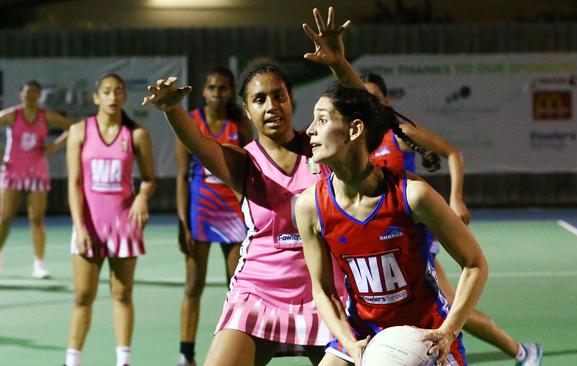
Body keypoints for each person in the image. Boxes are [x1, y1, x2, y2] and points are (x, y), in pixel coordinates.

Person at [143, 7, 360, 366]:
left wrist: (338, 63)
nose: (271, 105)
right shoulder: (244, 161)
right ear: (246, 110)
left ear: (291, 99)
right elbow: (199, 143)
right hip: (259, 291)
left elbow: (362, 110)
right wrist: (172, 111)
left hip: (326, 292)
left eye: (279, 96)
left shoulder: (323, 149)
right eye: (259, 99)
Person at [296, 83, 489, 366]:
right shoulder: (310, 206)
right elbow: (322, 289)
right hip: (361, 332)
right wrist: (348, 341)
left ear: (354, 130)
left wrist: (448, 330)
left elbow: (475, 263)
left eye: (322, 120)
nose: (310, 129)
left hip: (427, 334)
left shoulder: (412, 194)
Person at [363, 73, 542, 366]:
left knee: (457, 310)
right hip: (377, 243)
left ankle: (522, 352)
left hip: (412, 237)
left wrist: (455, 197)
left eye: (372, 97)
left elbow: (452, 153)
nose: (367, 103)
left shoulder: (400, 134)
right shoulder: (355, 143)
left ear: (385, 100)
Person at [64, 73, 156, 366]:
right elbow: (75, 183)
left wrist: (142, 197)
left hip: (123, 226)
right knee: (83, 296)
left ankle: (123, 360)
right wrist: (79, 226)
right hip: (88, 226)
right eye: (107, 91)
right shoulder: (79, 131)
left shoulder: (137, 134)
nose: (113, 96)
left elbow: (150, 179)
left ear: (124, 96)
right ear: (96, 97)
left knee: (122, 294)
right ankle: (72, 360)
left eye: (118, 91)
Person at [175, 66, 253, 366]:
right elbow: (183, 175)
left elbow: (250, 170)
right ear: (203, 91)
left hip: (234, 213)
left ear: (230, 92)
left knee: (236, 288)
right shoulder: (191, 123)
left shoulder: (240, 125)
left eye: (223, 88)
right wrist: (183, 223)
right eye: (211, 87)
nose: (217, 93)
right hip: (201, 213)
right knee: (193, 285)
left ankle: (233, 350)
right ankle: (186, 353)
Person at [0, 80, 72, 278]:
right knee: (5, 218)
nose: (30, 95)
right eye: (27, 92)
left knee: (37, 219)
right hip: (12, 171)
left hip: (37, 173)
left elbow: (73, 127)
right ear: (20, 94)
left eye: (34, 92)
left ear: (39, 95)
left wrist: (55, 146)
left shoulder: (45, 116)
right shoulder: (12, 115)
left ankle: (39, 264)